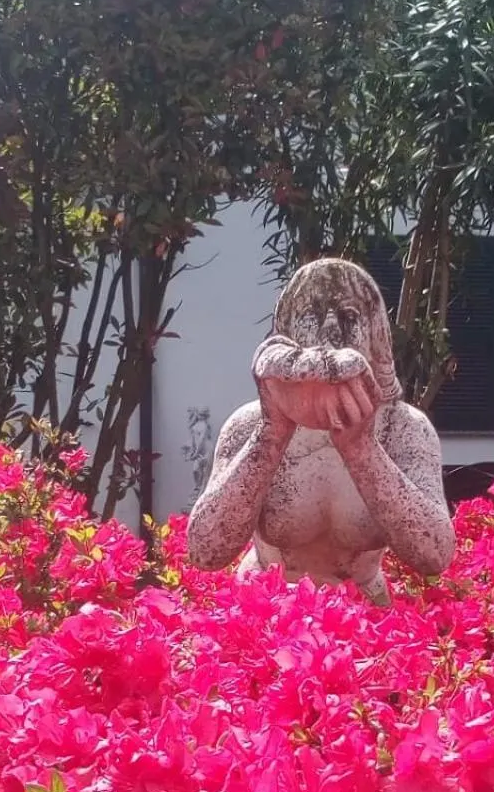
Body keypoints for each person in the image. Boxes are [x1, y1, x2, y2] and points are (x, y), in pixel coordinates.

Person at [186, 258, 455, 605]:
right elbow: (205, 551)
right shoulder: (250, 424)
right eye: (312, 315)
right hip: (266, 612)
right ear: (288, 332)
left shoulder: (403, 428)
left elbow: (435, 554)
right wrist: (273, 432)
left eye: (349, 316)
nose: (330, 333)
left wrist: (362, 450)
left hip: (362, 617)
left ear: (375, 335)